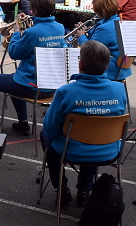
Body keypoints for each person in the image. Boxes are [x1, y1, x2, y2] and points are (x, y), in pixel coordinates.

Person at [40, 40, 127, 206]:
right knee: (94, 134)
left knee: (46, 136)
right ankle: (85, 190)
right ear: (107, 66)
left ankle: (61, 187)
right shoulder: (119, 89)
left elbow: (50, 128)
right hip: (108, 150)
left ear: (79, 65)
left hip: (72, 150)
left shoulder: (66, 91)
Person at [0, 0, 66, 133]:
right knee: (15, 77)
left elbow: (15, 53)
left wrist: (16, 32)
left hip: (33, 86)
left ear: (36, 10)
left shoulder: (33, 32)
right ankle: (23, 123)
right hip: (51, 86)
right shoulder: (60, 28)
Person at [75, 0, 133, 82]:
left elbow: (91, 49)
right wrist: (86, 30)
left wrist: (81, 36)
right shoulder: (118, 21)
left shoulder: (105, 28)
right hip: (122, 68)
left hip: (110, 70)